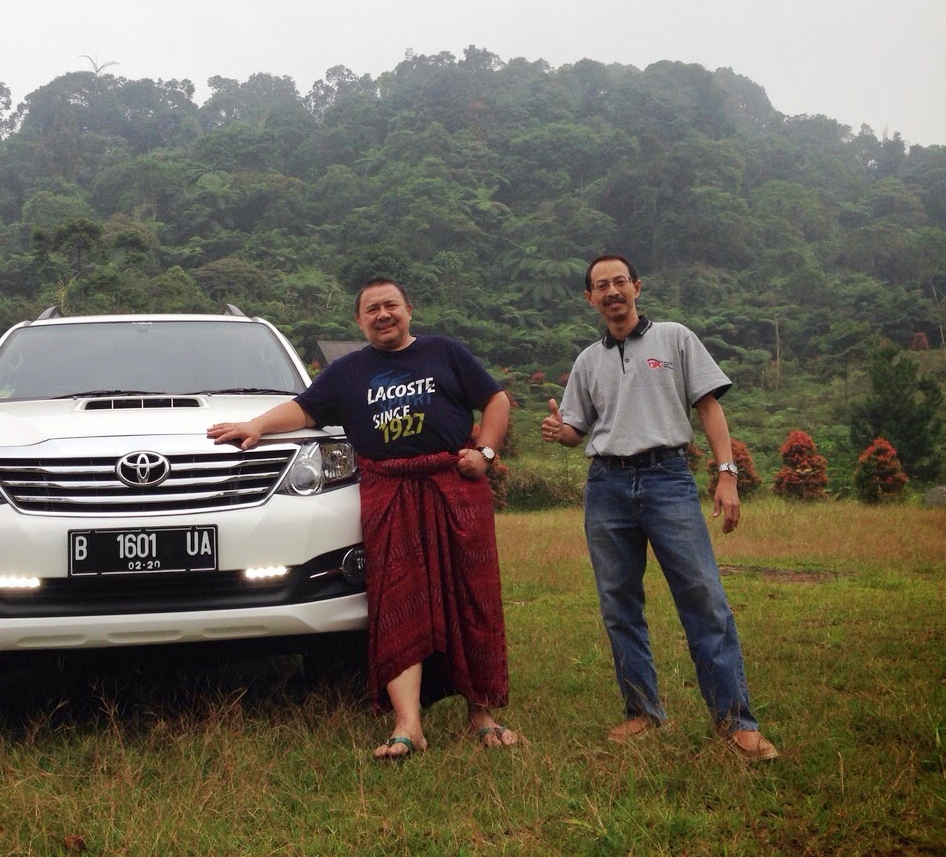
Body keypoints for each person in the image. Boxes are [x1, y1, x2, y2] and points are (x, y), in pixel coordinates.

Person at [208, 278, 516, 760]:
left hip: (453, 486)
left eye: (391, 305)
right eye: (372, 309)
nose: (383, 314)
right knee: (396, 598)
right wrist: (258, 424)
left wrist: (486, 451)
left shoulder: (445, 353)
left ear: (409, 310)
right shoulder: (348, 371)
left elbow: (495, 400)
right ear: (359, 321)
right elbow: (303, 409)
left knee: (469, 596)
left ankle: (482, 713)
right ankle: (407, 724)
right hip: (387, 491)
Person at [540, 255, 779, 761]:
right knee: (619, 604)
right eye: (601, 286)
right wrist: (559, 432)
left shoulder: (675, 338)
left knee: (703, 598)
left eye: (619, 282)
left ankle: (736, 721)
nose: (612, 292)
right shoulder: (587, 361)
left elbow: (709, 407)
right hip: (606, 484)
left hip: (668, 478)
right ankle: (642, 712)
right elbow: (576, 431)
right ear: (589, 298)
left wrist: (727, 475)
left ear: (637, 287)